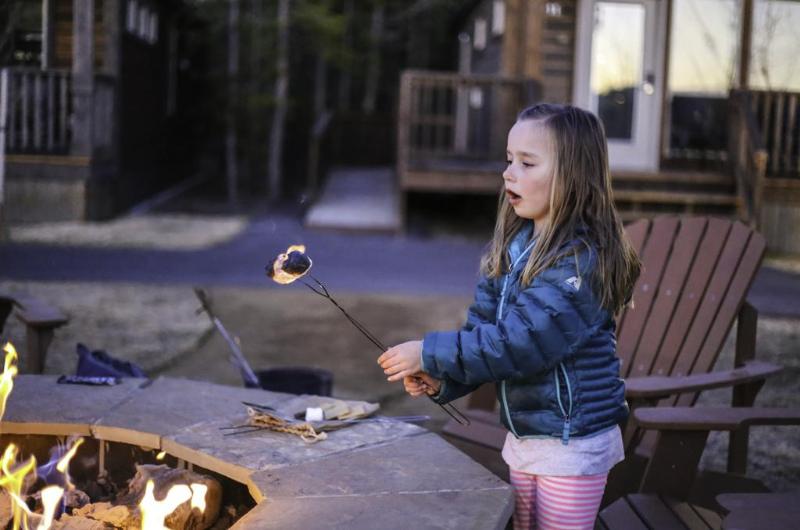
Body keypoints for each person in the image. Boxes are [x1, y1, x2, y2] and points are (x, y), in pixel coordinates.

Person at [377, 103, 641, 530]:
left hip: (571, 444)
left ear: (572, 175)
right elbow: (484, 333)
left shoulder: (579, 262)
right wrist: (445, 379)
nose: (508, 173)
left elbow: (519, 343)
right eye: (508, 159)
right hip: (527, 439)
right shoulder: (514, 249)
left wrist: (428, 351)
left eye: (527, 163)